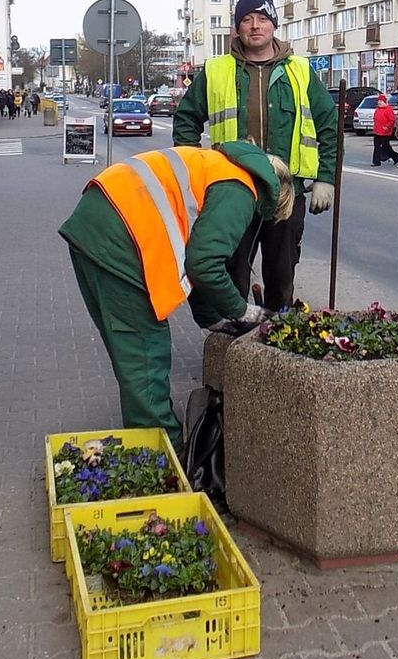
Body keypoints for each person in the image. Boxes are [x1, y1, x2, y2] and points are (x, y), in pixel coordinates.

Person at [58, 143, 294, 453]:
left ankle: (150, 441)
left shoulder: (220, 165)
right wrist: (243, 312)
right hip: (120, 237)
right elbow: (204, 264)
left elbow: (194, 256)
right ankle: (163, 455)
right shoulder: (242, 190)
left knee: (131, 349)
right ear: (274, 201)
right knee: (145, 351)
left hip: (99, 224)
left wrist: (212, 319)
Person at [172, 0, 337, 312]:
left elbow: (329, 124)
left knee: (282, 274)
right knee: (232, 272)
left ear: (274, 25)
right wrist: (194, 172)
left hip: (286, 194)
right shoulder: (216, 70)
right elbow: (186, 119)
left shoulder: (299, 70)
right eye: (246, 20)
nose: (255, 26)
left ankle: (275, 341)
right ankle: (231, 344)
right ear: (237, 28)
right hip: (234, 192)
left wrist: (325, 178)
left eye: (262, 19)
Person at [371, 93, 398, 167]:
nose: (379, 103)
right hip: (377, 131)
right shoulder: (377, 109)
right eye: (379, 101)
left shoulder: (388, 109)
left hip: (385, 132)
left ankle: (395, 156)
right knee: (376, 146)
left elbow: (392, 120)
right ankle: (376, 162)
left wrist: (387, 127)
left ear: (385, 102)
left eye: (381, 101)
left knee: (386, 146)